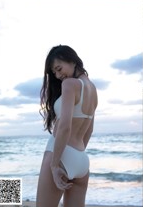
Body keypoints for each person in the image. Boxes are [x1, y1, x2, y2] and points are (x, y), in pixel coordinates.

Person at [36, 45, 98, 207]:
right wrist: (76, 156)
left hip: (61, 156)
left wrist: (55, 165)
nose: (57, 75)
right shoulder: (92, 88)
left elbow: (64, 126)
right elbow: (89, 129)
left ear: (71, 60)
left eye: (58, 68)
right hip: (82, 160)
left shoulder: (70, 84)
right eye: (54, 73)